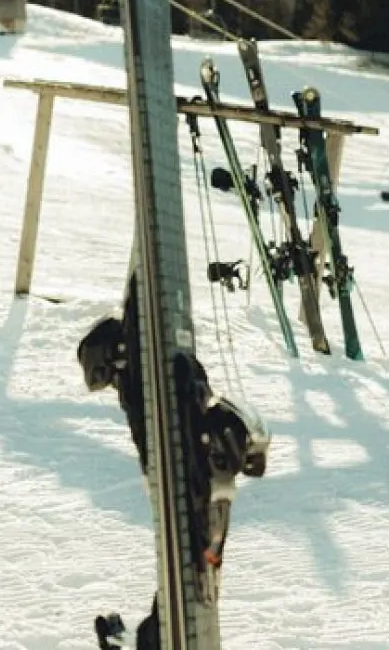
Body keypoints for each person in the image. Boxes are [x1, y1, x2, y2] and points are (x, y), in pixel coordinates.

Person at [78, 274, 268, 650]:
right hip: (189, 483)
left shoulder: (150, 378)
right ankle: (149, 638)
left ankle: (150, 638)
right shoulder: (148, 383)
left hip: (192, 480)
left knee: (190, 564)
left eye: (106, 375)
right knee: (189, 565)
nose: (111, 383)